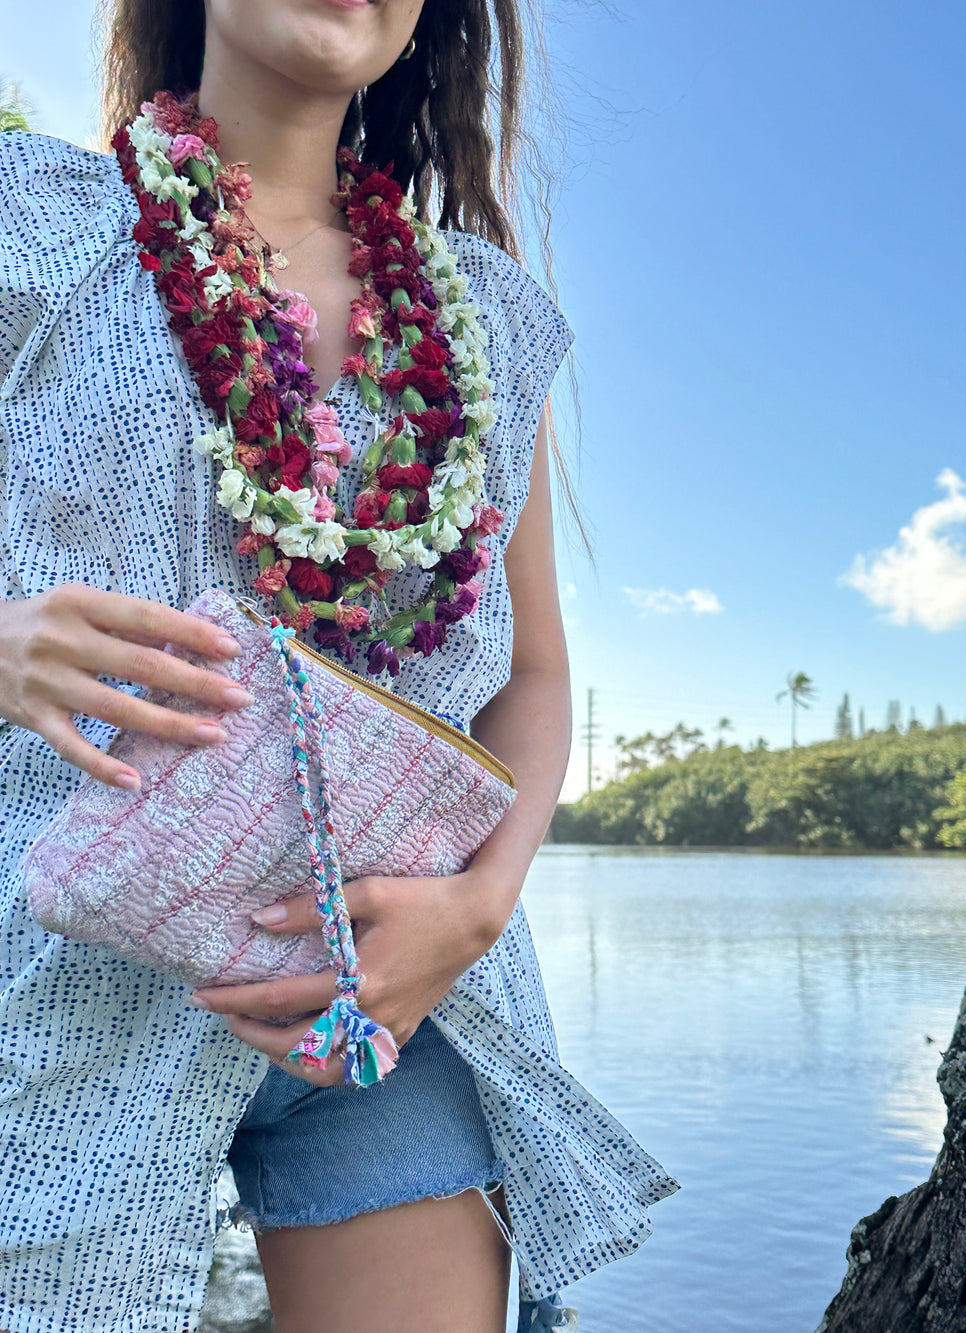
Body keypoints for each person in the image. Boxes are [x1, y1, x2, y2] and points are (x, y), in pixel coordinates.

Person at [0, 1, 678, 1329]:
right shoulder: (30, 224)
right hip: (52, 967)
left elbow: (533, 672)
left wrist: (477, 908)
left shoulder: (486, 318)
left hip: (401, 977)